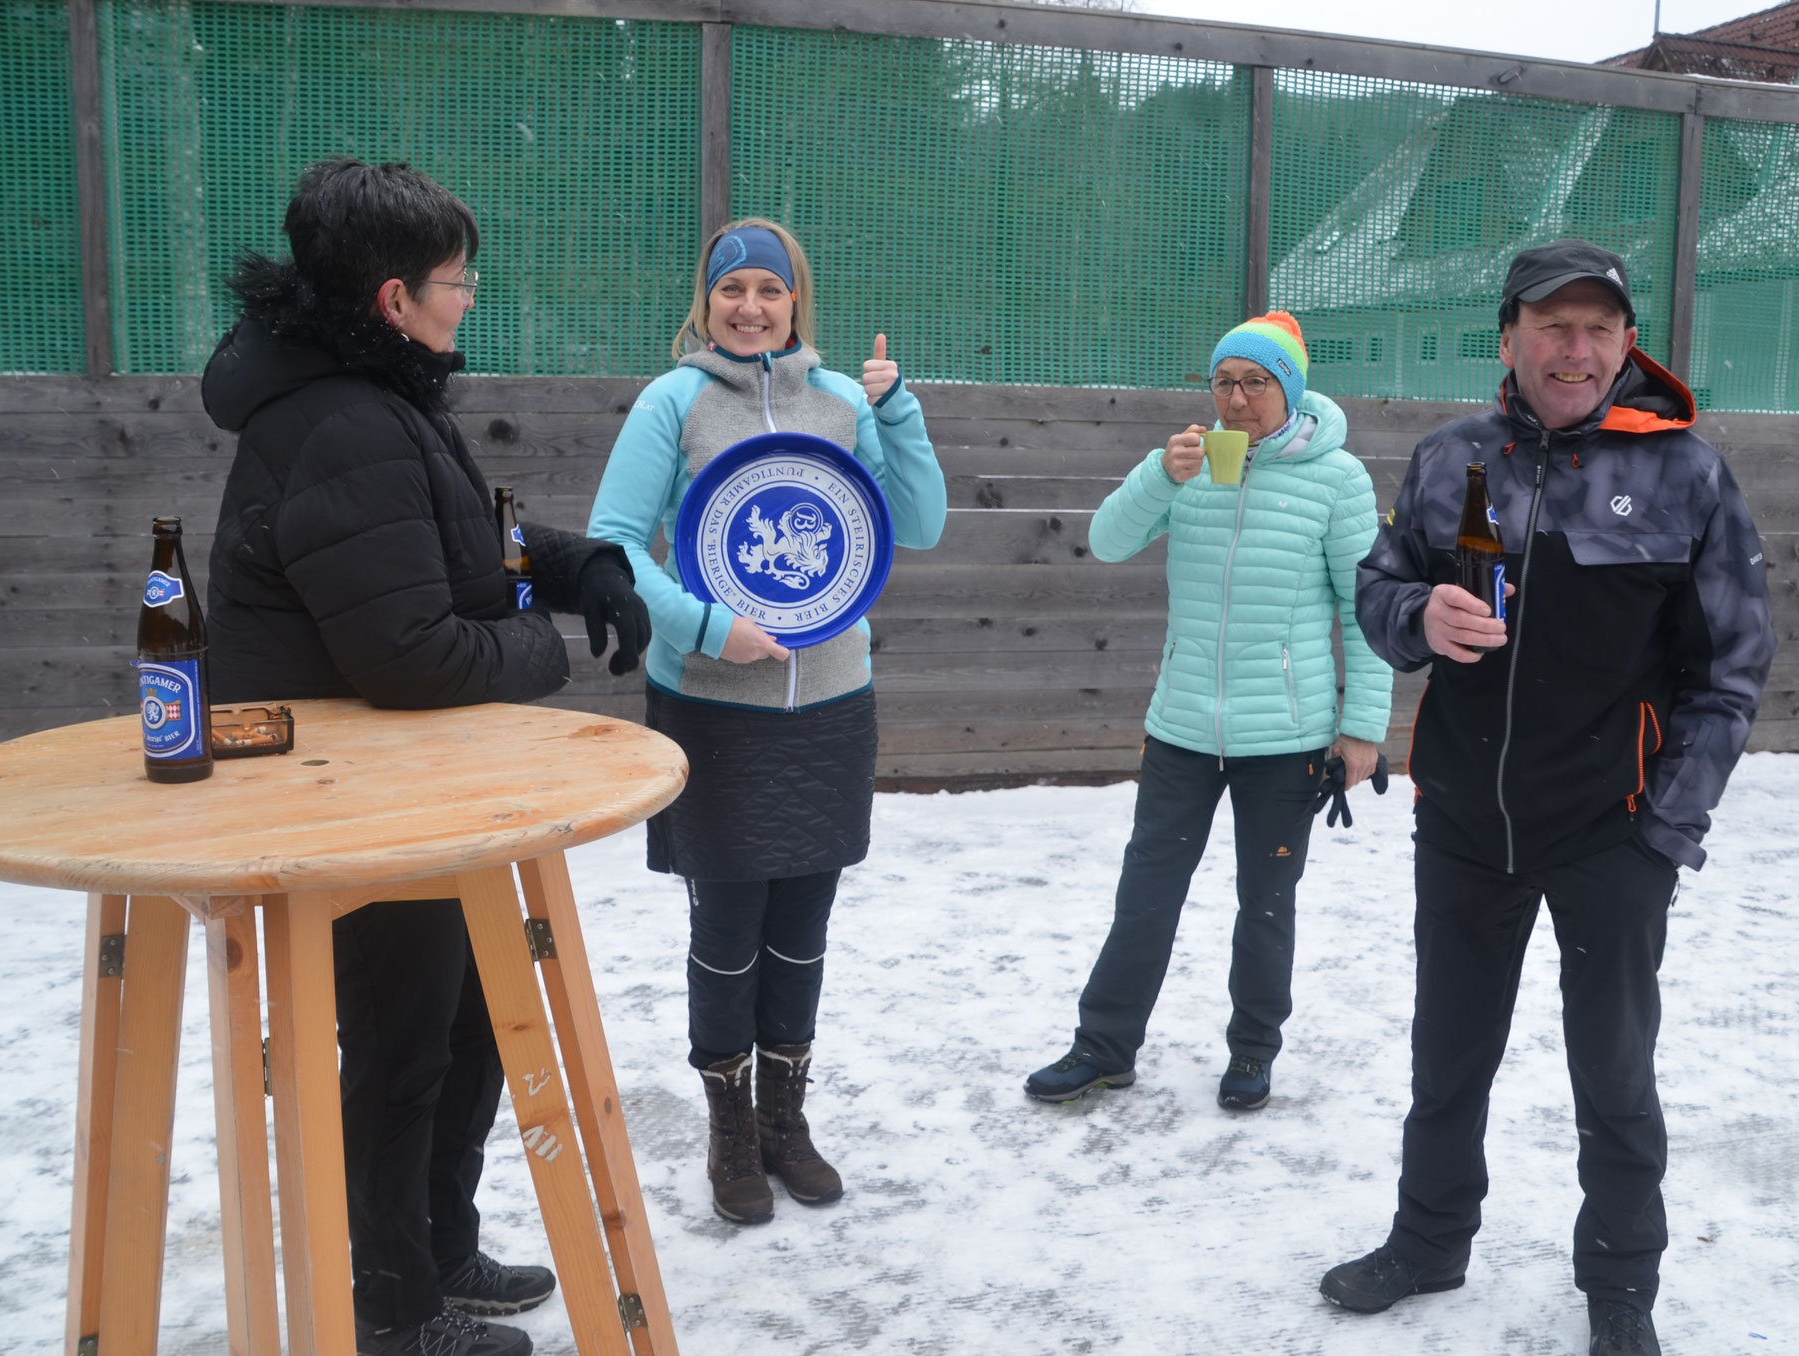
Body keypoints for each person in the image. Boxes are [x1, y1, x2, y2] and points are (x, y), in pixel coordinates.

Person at [201, 158, 650, 1356]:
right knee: (400, 1048)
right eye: (456, 281)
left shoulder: (374, 394)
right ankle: (390, 1315)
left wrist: (573, 562)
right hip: (340, 793)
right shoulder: (343, 419)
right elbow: (409, 652)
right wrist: (539, 644)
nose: (468, 300)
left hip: (397, 783)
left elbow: (452, 540)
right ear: (394, 298)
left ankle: (436, 1250)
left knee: (454, 1027)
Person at [1324, 241, 1775, 1356]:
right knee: (1448, 1053)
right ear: (1508, 337)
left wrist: (1662, 828)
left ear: (1626, 343)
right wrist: (1414, 619)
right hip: (1467, 824)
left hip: (1607, 833)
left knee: (1613, 1075)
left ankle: (1619, 1283)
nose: (1574, 350)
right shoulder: (1449, 458)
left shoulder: (1684, 473)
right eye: (1551, 326)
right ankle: (1430, 1240)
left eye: (1596, 329)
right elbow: (1378, 587)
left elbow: (1732, 666)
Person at [586, 219, 946, 1224]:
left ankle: (787, 1121)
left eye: (770, 291)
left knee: (804, 924)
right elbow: (615, 545)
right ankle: (730, 1130)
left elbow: (914, 524)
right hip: (714, 706)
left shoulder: (841, 400)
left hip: (831, 705)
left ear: (797, 302)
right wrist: (705, 625)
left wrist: (898, 412)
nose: (751, 307)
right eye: (732, 288)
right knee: (730, 926)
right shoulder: (674, 401)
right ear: (704, 301)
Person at [1023, 312, 1392, 1111]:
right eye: (1224, 381)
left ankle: (1254, 1051)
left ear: (1288, 390)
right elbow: (1107, 540)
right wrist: (1161, 473)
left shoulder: (1338, 479)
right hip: (1183, 727)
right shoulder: (1184, 467)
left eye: (1255, 382)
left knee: (1265, 904)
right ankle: (1104, 1047)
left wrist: (1363, 727)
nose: (1236, 398)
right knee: (1145, 895)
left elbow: (1367, 607)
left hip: (1285, 735)